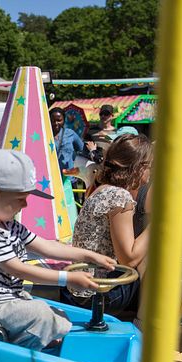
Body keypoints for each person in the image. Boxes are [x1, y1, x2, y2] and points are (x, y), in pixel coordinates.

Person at [0, 149, 115, 350]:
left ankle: (36, 344)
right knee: (42, 315)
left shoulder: (8, 224)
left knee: (56, 315)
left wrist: (90, 255)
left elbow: (47, 247)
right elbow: (17, 269)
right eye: (20, 199)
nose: (26, 205)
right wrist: (68, 278)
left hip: (4, 299)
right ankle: (14, 354)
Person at [65, 134, 153, 316]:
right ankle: (145, 325)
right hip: (101, 294)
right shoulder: (119, 197)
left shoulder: (100, 189)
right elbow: (129, 258)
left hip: (80, 290)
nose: (151, 171)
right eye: (150, 165)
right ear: (139, 168)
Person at [50, 107, 85, 171]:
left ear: (64, 120)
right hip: (51, 177)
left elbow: (82, 150)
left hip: (68, 177)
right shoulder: (44, 136)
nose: (55, 123)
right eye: (52, 120)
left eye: (59, 120)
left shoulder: (70, 133)